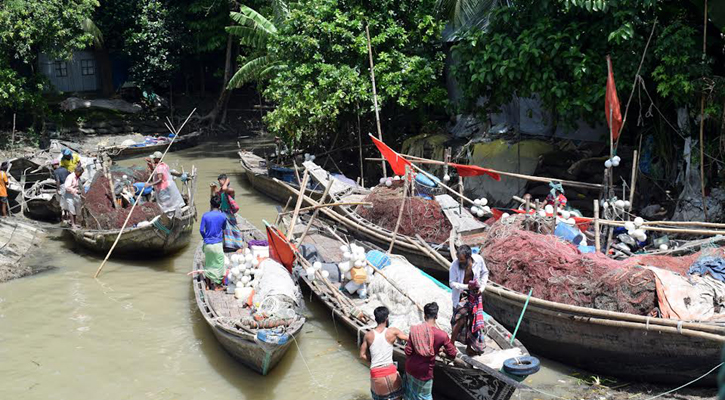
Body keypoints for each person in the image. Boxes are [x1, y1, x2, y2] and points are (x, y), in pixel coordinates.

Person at [404, 302, 457, 400]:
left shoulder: (415, 330)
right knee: (425, 396)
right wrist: (442, 351)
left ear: (424, 316)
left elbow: (408, 352)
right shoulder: (442, 335)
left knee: (411, 395)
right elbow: (453, 354)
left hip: (410, 368)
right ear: (436, 316)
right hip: (424, 372)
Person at [360, 306, 408, 400]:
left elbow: (362, 355)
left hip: (376, 374)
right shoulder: (393, 331)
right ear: (387, 318)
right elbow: (409, 339)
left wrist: (372, 361)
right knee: (397, 397)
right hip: (391, 371)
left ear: (375, 318)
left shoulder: (368, 335)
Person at [449, 245, 489, 356]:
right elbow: (452, 283)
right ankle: (451, 344)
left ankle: (469, 347)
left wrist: (481, 288)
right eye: (459, 259)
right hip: (461, 294)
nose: (460, 262)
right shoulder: (454, 265)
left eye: (462, 260)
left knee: (472, 321)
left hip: (475, 294)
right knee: (460, 319)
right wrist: (467, 287)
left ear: (469, 257)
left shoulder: (478, 260)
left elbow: (485, 273)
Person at [199, 195, 227, 289]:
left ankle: (207, 284)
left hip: (207, 244)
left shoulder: (205, 215)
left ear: (211, 204)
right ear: (220, 205)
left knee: (208, 263)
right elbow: (223, 228)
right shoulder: (223, 216)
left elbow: (201, 230)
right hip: (218, 244)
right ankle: (217, 286)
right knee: (219, 265)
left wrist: (205, 238)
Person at [210, 173, 244, 251]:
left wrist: (227, 180)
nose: (220, 183)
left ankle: (238, 245)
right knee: (224, 228)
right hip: (222, 211)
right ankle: (227, 244)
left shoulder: (230, 190)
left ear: (225, 181)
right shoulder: (221, 191)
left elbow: (225, 188)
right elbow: (217, 193)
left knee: (233, 228)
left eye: (220, 181)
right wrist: (214, 187)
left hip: (229, 212)